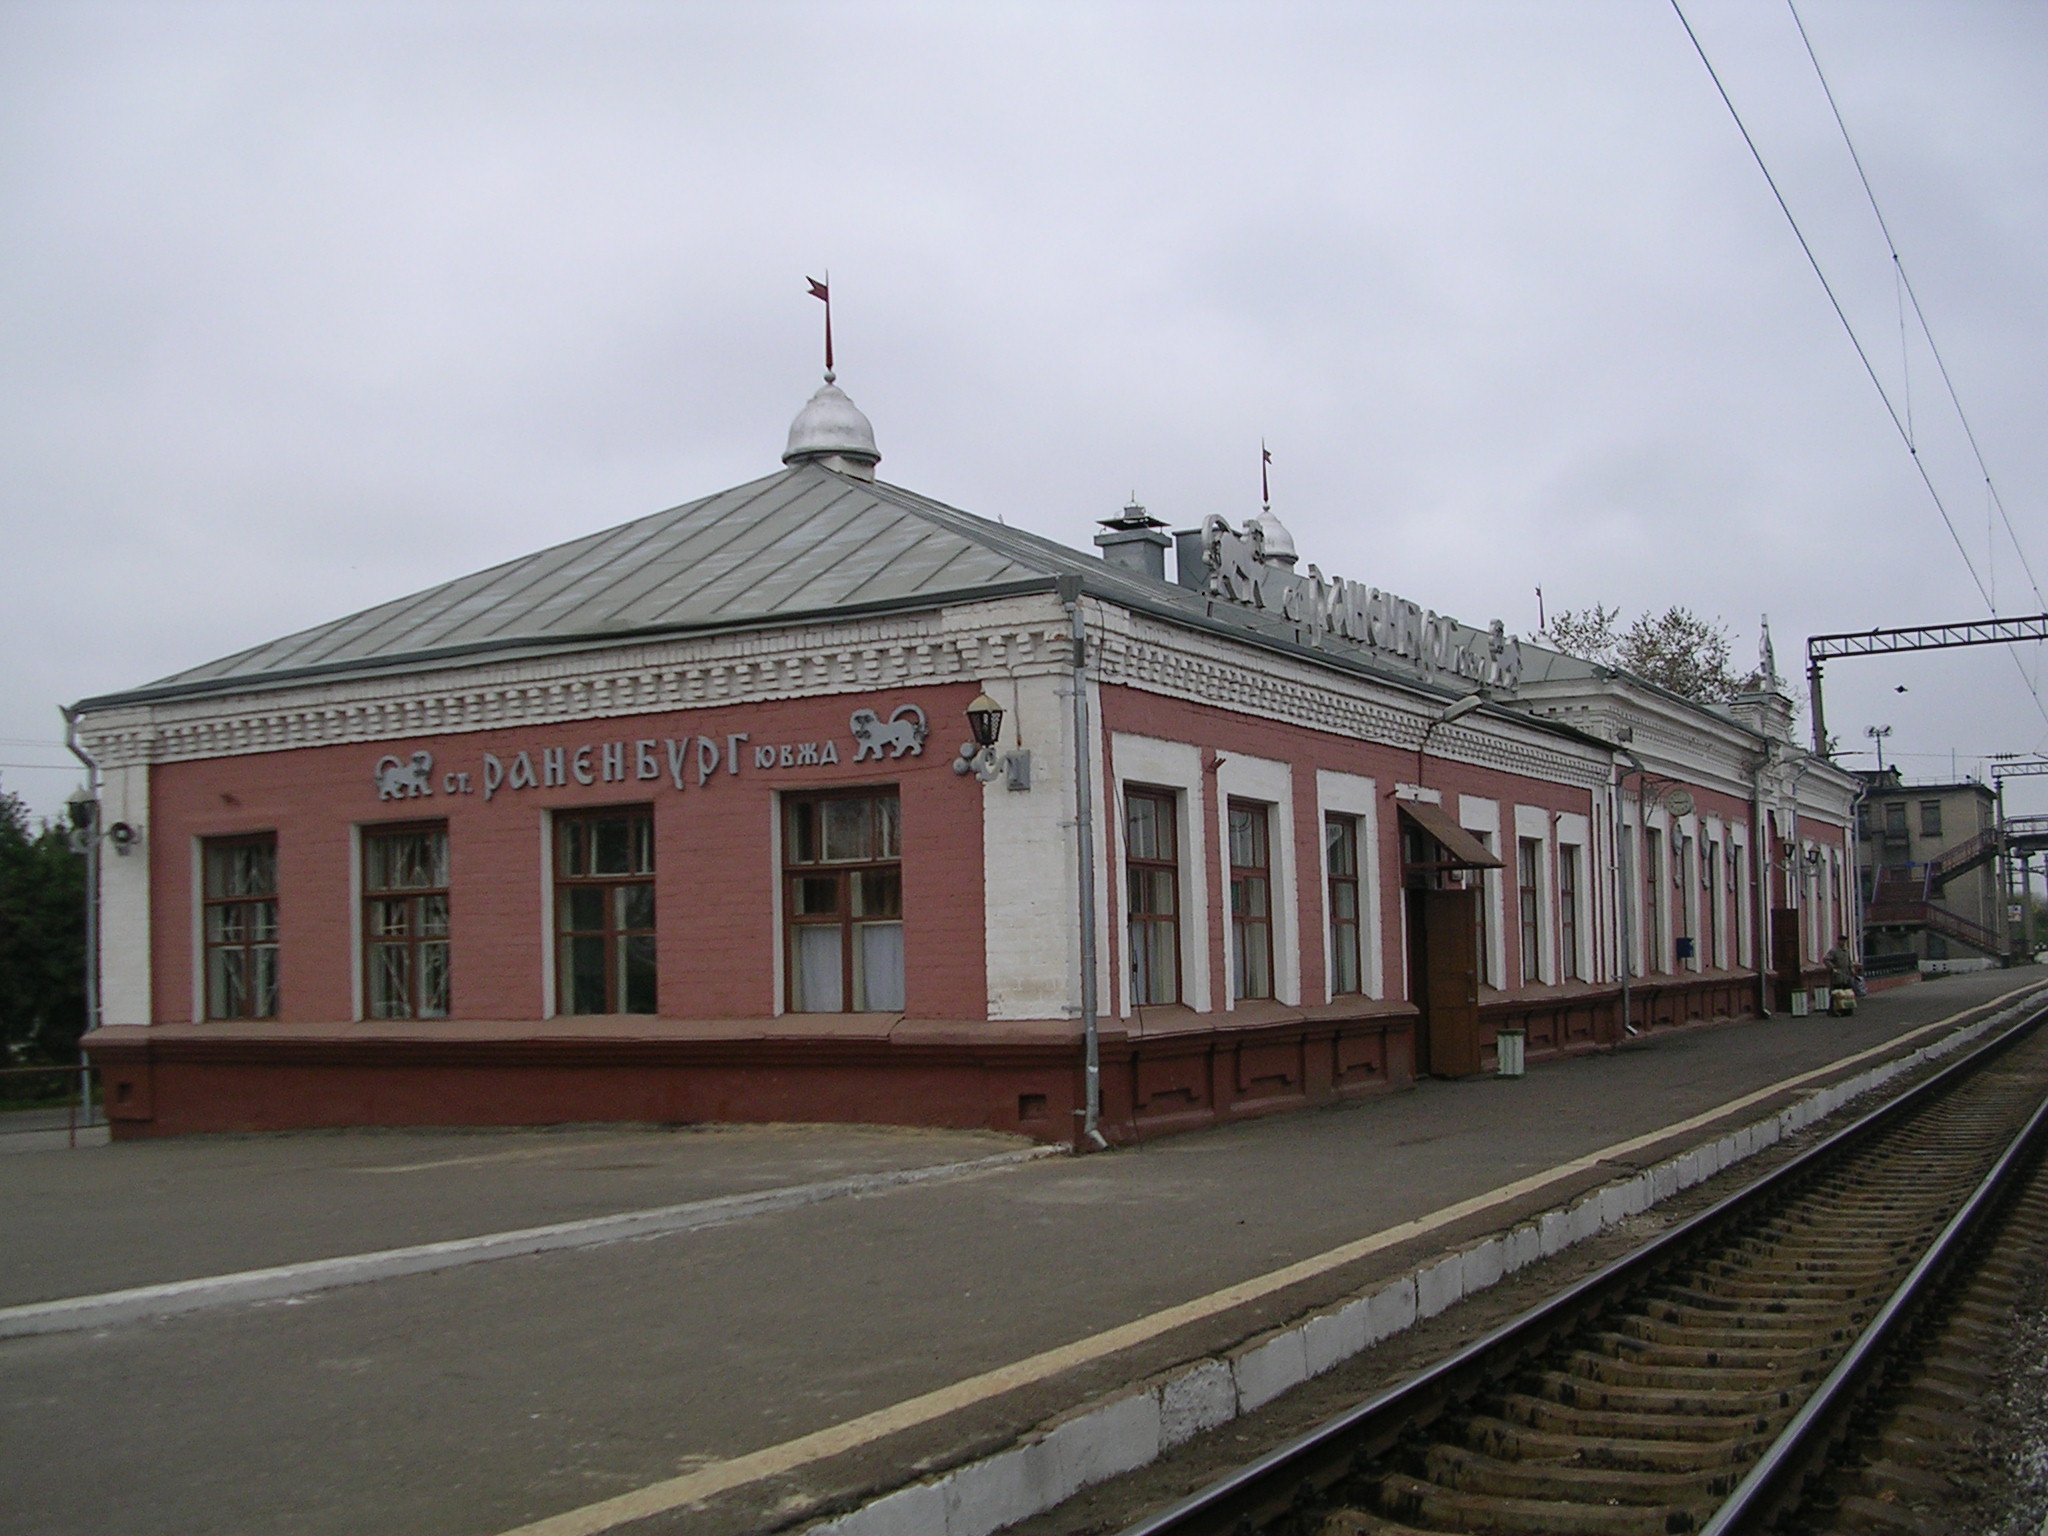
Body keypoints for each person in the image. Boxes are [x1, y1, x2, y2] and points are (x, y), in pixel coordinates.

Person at [1825, 936, 1858, 1016]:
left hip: (1846, 975)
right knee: (1836, 993)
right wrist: (1833, 968)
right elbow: (1826, 959)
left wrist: (1852, 969)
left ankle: (1847, 1009)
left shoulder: (1846, 951)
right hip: (1837, 976)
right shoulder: (1834, 951)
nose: (1843, 943)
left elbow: (1849, 961)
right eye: (1842, 941)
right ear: (1838, 941)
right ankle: (1833, 1010)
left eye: (1844, 941)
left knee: (1847, 993)